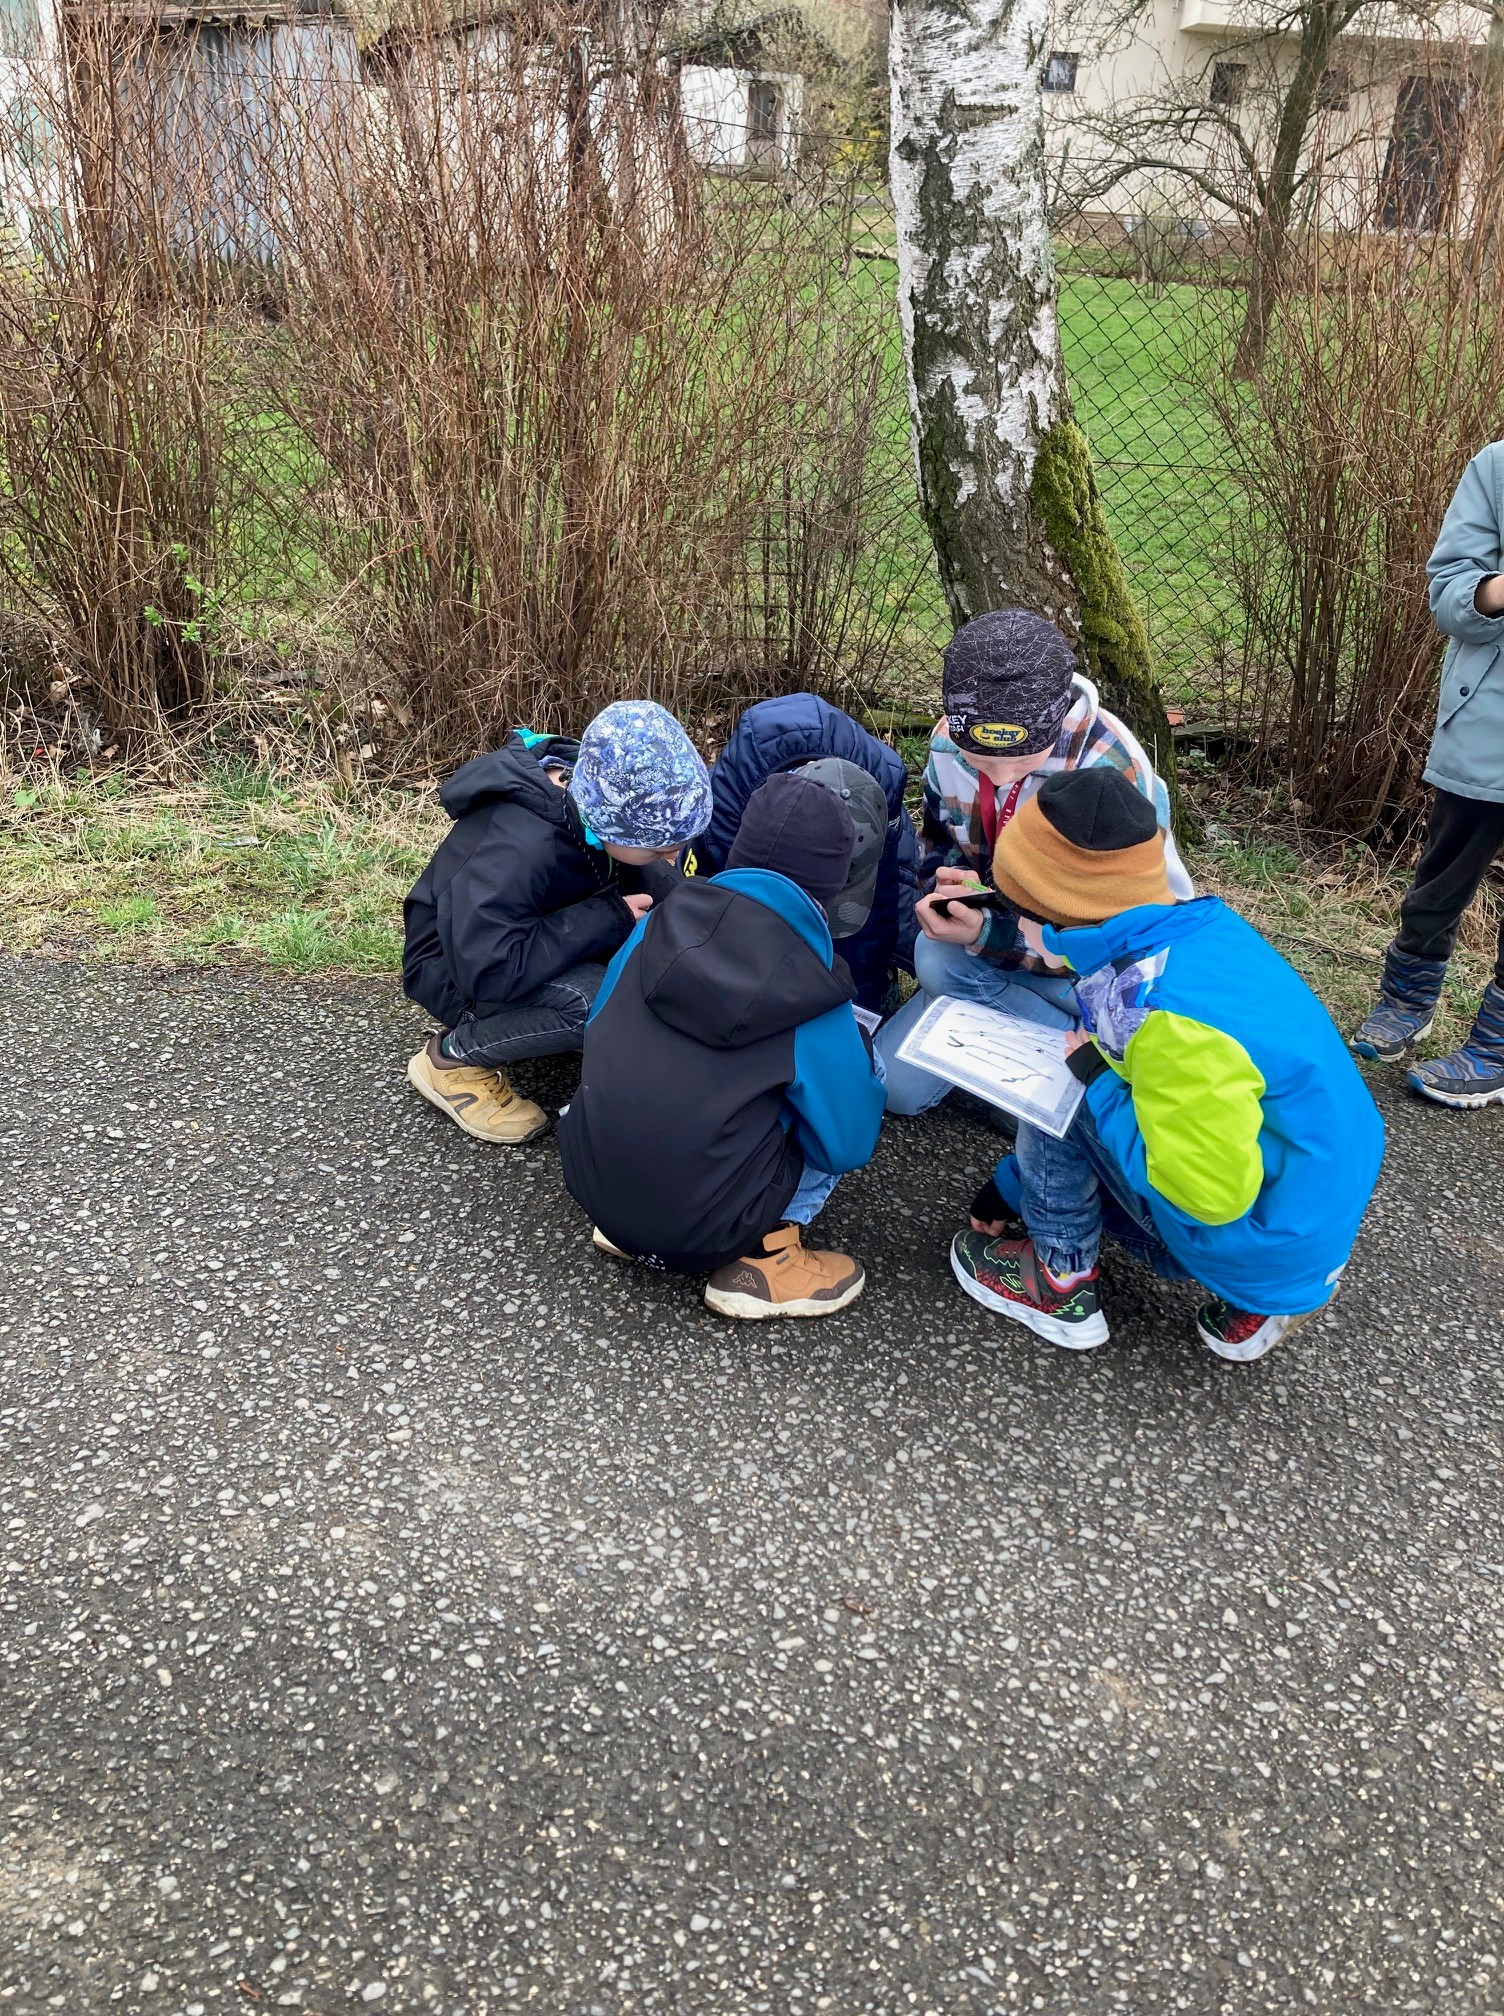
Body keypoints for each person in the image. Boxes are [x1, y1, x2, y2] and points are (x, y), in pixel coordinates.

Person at [949, 769, 1385, 1363]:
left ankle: (1058, 1280)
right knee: (1098, 1076)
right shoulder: (1200, 933)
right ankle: (1262, 1299)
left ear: (1054, 912)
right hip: (1304, 1213)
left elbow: (1208, 1196)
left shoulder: (1161, 1017)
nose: (1013, 923)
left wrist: (1097, 1084)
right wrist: (1013, 1186)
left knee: (1068, 1082)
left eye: (1014, 907)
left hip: (1240, 1230)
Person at [558, 771, 886, 1319]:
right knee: (859, 1068)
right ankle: (769, 1258)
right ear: (835, 884)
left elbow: (598, 1028)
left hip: (593, 1186)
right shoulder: (816, 993)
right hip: (703, 1231)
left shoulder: (653, 927)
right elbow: (846, 1148)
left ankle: (630, 1224)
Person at [876, 608, 1192, 1115]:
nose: (1001, 777)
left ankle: (1090, 1055)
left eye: (1023, 762)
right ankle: (1043, 1072)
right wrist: (947, 881)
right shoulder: (947, 742)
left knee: (939, 964)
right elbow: (939, 838)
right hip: (1005, 946)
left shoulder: (1107, 770)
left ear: (1056, 723)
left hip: (1098, 974)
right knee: (895, 1089)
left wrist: (988, 934)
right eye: (978, 761)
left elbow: (1113, 939)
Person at [402, 701, 712, 1144]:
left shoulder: (589, 798)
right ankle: (453, 1059)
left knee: (653, 933)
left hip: (529, 934)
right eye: (658, 848)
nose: (672, 856)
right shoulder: (514, 848)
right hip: (459, 970)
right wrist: (608, 918)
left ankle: (550, 1025)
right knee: (600, 1004)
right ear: (609, 822)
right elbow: (489, 969)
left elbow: (647, 875)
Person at [1350, 442, 1504, 1107]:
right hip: (1491, 723)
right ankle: (1408, 999)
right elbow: (1449, 595)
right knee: (1441, 876)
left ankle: (1497, 1046)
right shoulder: (1496, 468)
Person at [691, 692, 919, 1014]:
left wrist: (861, 1010)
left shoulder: (882, 788)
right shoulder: (723, 809)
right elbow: (709, 906)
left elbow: (874, 924)